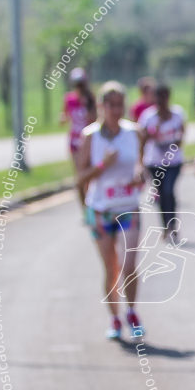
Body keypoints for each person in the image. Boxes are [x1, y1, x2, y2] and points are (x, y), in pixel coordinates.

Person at [75, 81, 146, 340]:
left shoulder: (134, 132)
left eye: (120, 104)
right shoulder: (89, 136)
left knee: (129, 265)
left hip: (128, 207)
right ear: (101, 106)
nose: (116, 110)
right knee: (111, 268)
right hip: (101, 210)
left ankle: (132, 311)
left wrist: (140, 175)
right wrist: (101, 166)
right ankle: (115, 319)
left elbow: (142, 167)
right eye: (111, 105)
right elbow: (79, 178)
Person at [138, 83, 186, 240]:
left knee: (168, 191)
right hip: (154, 163)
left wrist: (171, 141)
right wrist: (141, 164)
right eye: (158, 97)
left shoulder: (177, 114)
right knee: (160, 194)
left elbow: (181, 137)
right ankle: (165, 226)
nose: (161, 101)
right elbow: (142, 140)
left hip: (173, 162)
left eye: (164, 97)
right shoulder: (148, 117)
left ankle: (172, 225)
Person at [60, 67, 96, 208]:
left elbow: (95, 119)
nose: (79, 87)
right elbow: (64, 116)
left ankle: (93, 204)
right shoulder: (69, 99)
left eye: (81, 83)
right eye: (77, 84)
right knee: (80, 177)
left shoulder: (90, 99)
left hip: (89, 142)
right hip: (75, 142)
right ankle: (85, 209)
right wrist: (63, 118)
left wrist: (87, 106)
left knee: (90, 176)